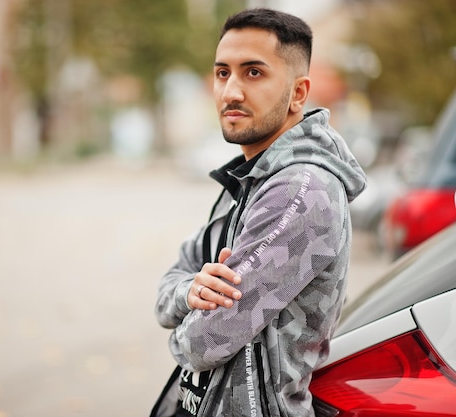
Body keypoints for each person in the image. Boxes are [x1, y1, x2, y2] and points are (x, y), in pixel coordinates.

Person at [151, 8, 367, 417]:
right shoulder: (249, 179)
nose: (231, 92)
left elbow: (201, 344)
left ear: (299, 93)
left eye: (253, 73)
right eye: (222, 73)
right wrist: (189, 291)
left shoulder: (301, 192)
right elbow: (170, 284)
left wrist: (186, 319)